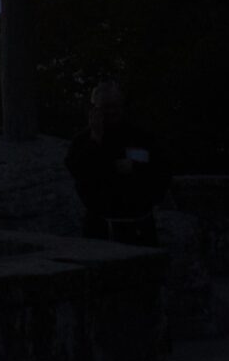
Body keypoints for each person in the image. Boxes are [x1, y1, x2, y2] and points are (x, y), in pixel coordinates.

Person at [65, 80, 168, 244]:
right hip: (100, 228)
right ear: (95, 109)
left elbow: (162, 170)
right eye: (105, 107)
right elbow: (78, 170)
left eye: (115, 106)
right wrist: (95, 140)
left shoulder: (141, 137)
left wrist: (136, 169)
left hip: (139, 225)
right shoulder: (82, 141)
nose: (111, 111)